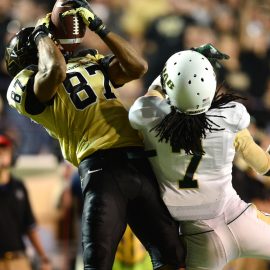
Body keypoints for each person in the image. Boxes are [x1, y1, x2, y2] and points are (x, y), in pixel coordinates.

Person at [4, 0, 185, 269]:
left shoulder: (89, 60)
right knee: (97, 263)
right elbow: (54, 71)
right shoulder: (25, 82)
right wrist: (41, 33)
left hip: (139, 160)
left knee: (174, 258)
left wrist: (98, 26)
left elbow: (138, 67)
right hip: (101, 167)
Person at [128, 45, 270, 270]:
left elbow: (153, 94)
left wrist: (180, 66)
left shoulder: (149, 117)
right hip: (240, 219)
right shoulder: (228, 117)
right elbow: (264, 167)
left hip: (200, 238)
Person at [0, 133, 51, 270]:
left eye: (4, 150)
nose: (1, 154)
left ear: (11, 155)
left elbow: (29, 226)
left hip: (18, 260)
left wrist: (43, 258)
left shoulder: (19, 187)